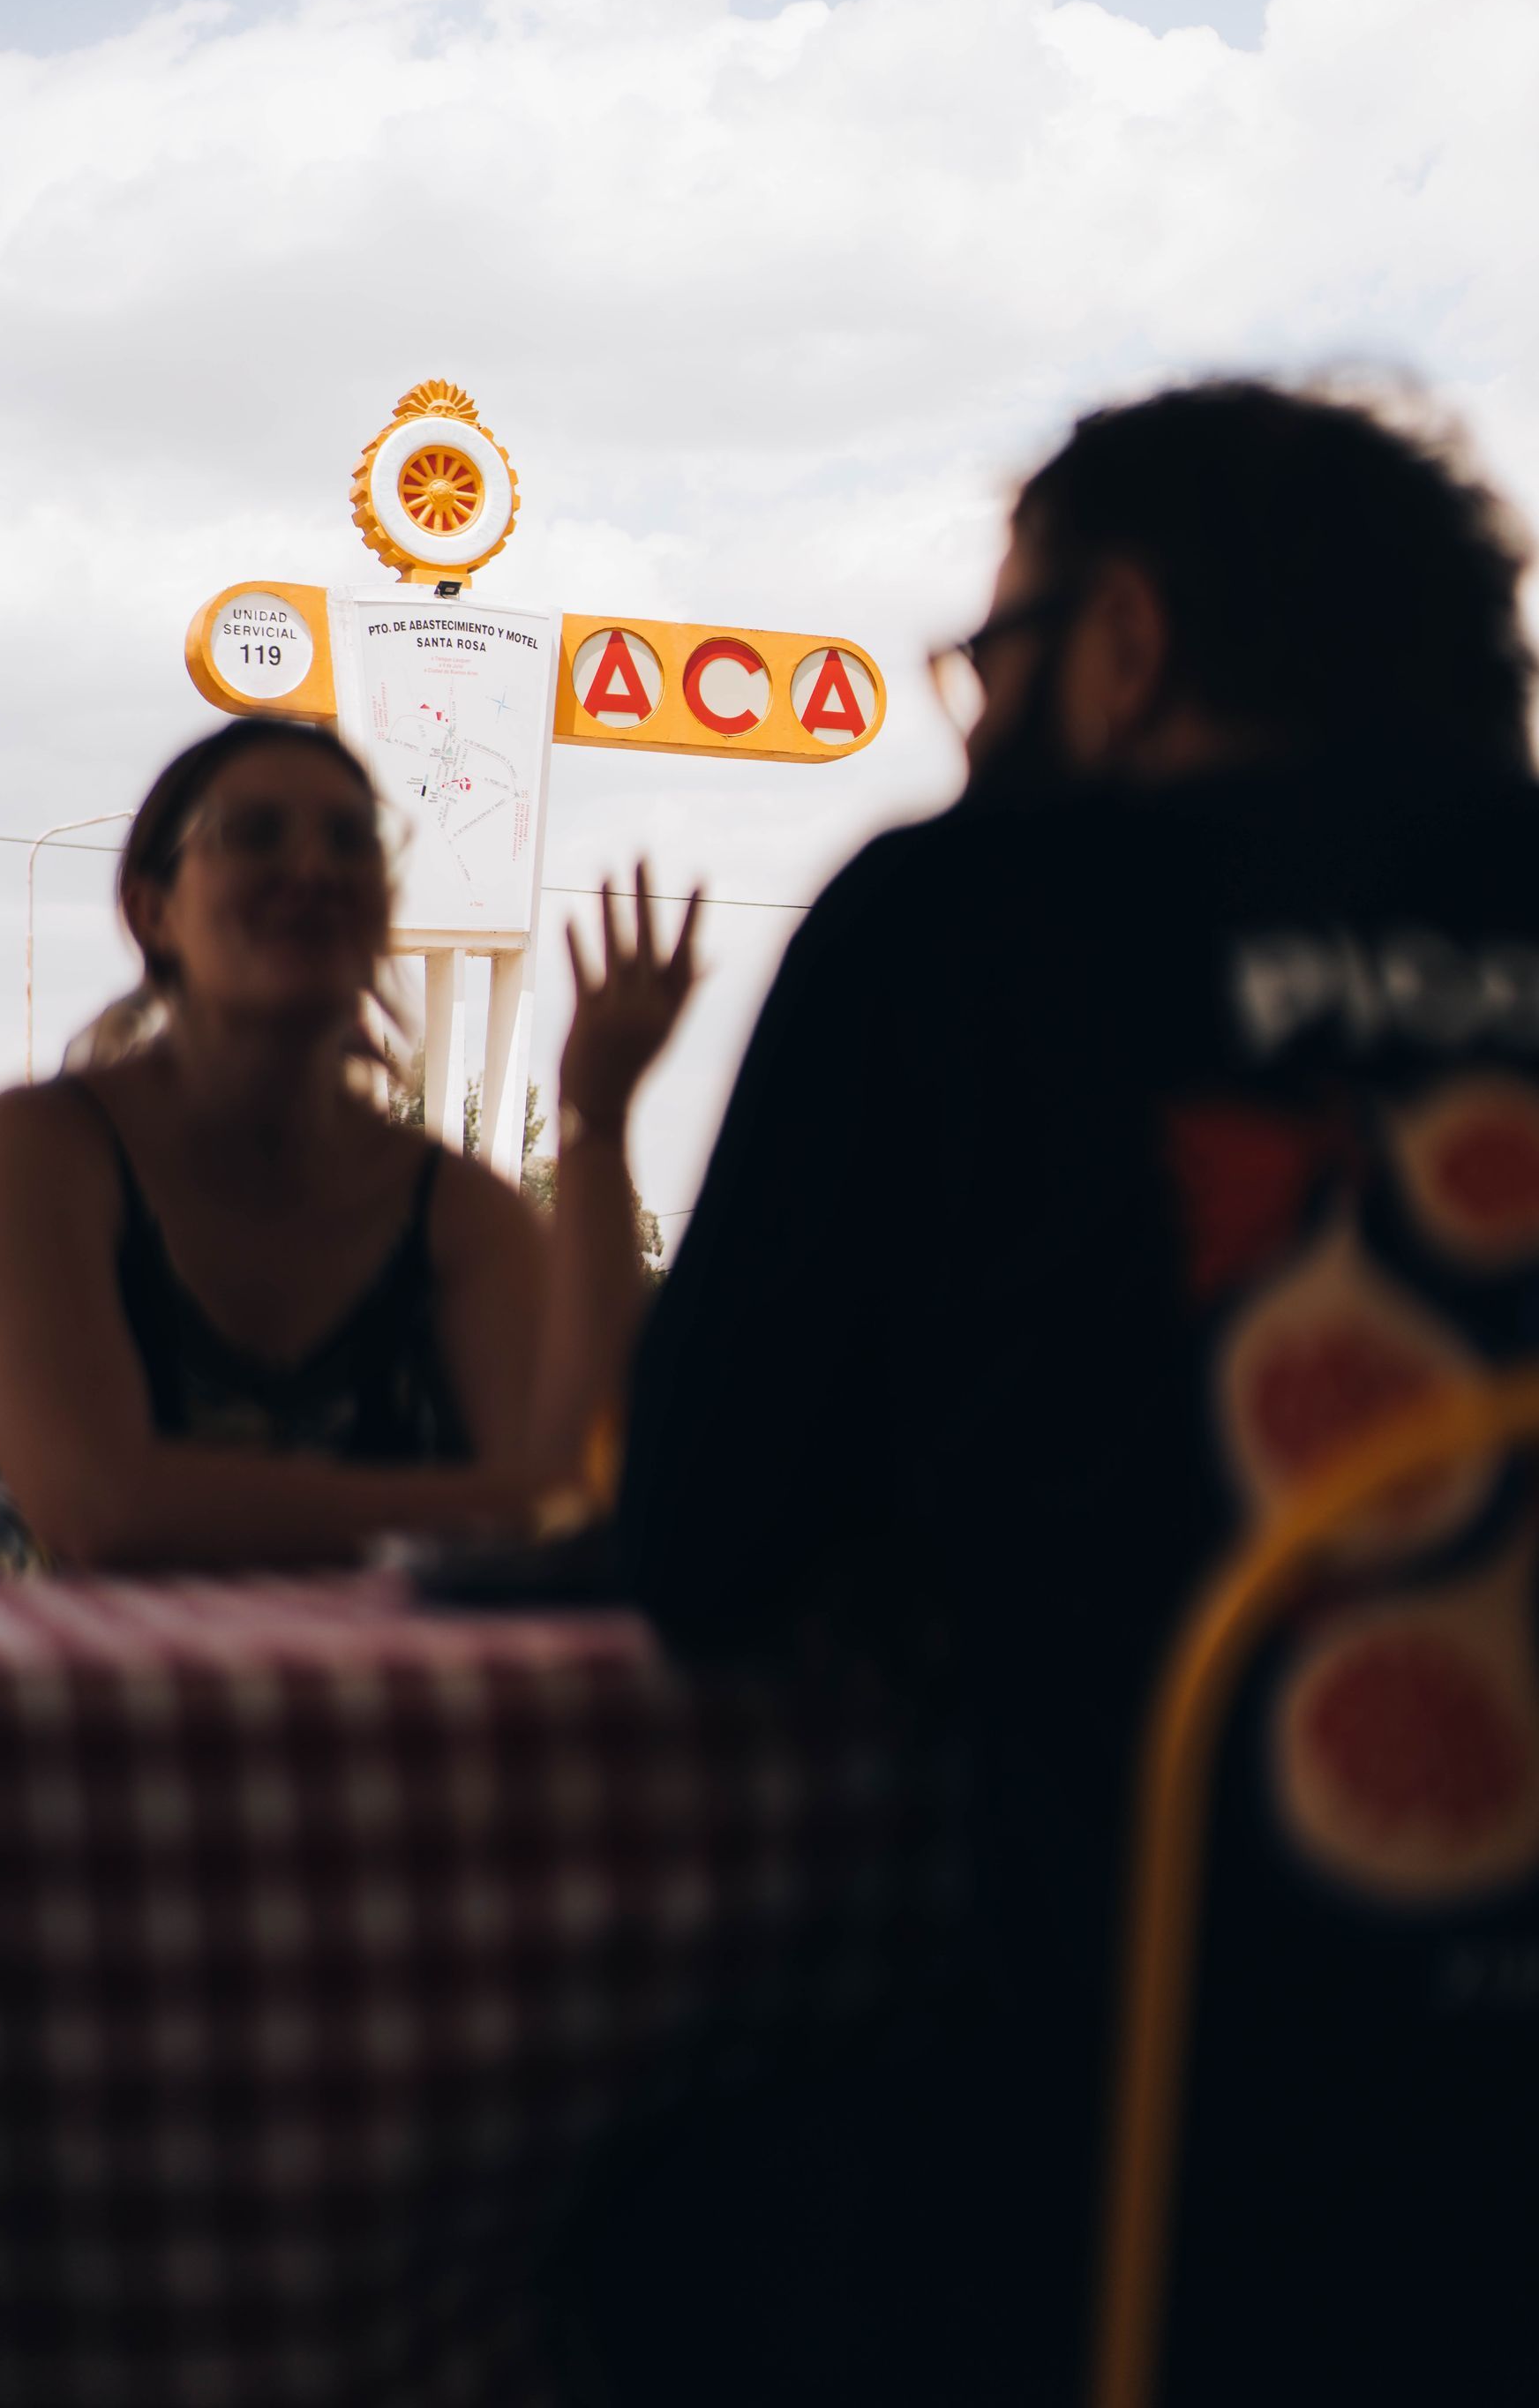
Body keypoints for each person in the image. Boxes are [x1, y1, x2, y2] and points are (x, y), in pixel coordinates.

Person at [590, 380, 1539, 2404]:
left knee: (635, 2218)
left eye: (991, 653)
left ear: (1122, 642)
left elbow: (704, 1546)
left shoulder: (960, 919)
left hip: (1195, 2200)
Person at [0, 716, 695, 1574]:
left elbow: (575, 1496)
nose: (312, 868)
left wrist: (594, 1120)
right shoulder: (34, 1150)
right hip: (62, 1704)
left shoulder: (453, 1206)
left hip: (387, 1705)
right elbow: (100, 1510)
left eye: (351, 840)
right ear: (153, 912)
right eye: (253, 835)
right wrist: (509, 1506)